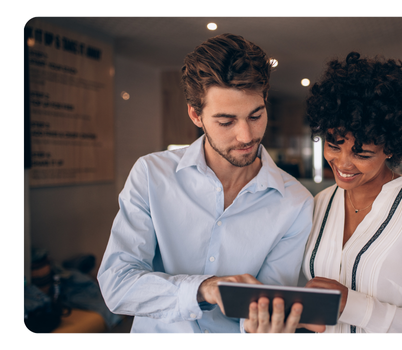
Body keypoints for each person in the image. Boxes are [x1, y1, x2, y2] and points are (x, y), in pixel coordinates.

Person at [97, 33, 314, 333]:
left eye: (256, 115)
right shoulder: (151, 175)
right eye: (226, 121)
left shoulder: (296, 202)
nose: (246, 136)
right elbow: (116, 284)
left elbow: (266, 311)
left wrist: (268, 322)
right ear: (196, 115)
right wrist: (205, 288)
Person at [301, 52, 402, 333]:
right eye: (333, 144)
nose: (342, 163)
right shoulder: (320, 203)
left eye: (361, 153)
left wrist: (351, 305)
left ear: (391, 147)